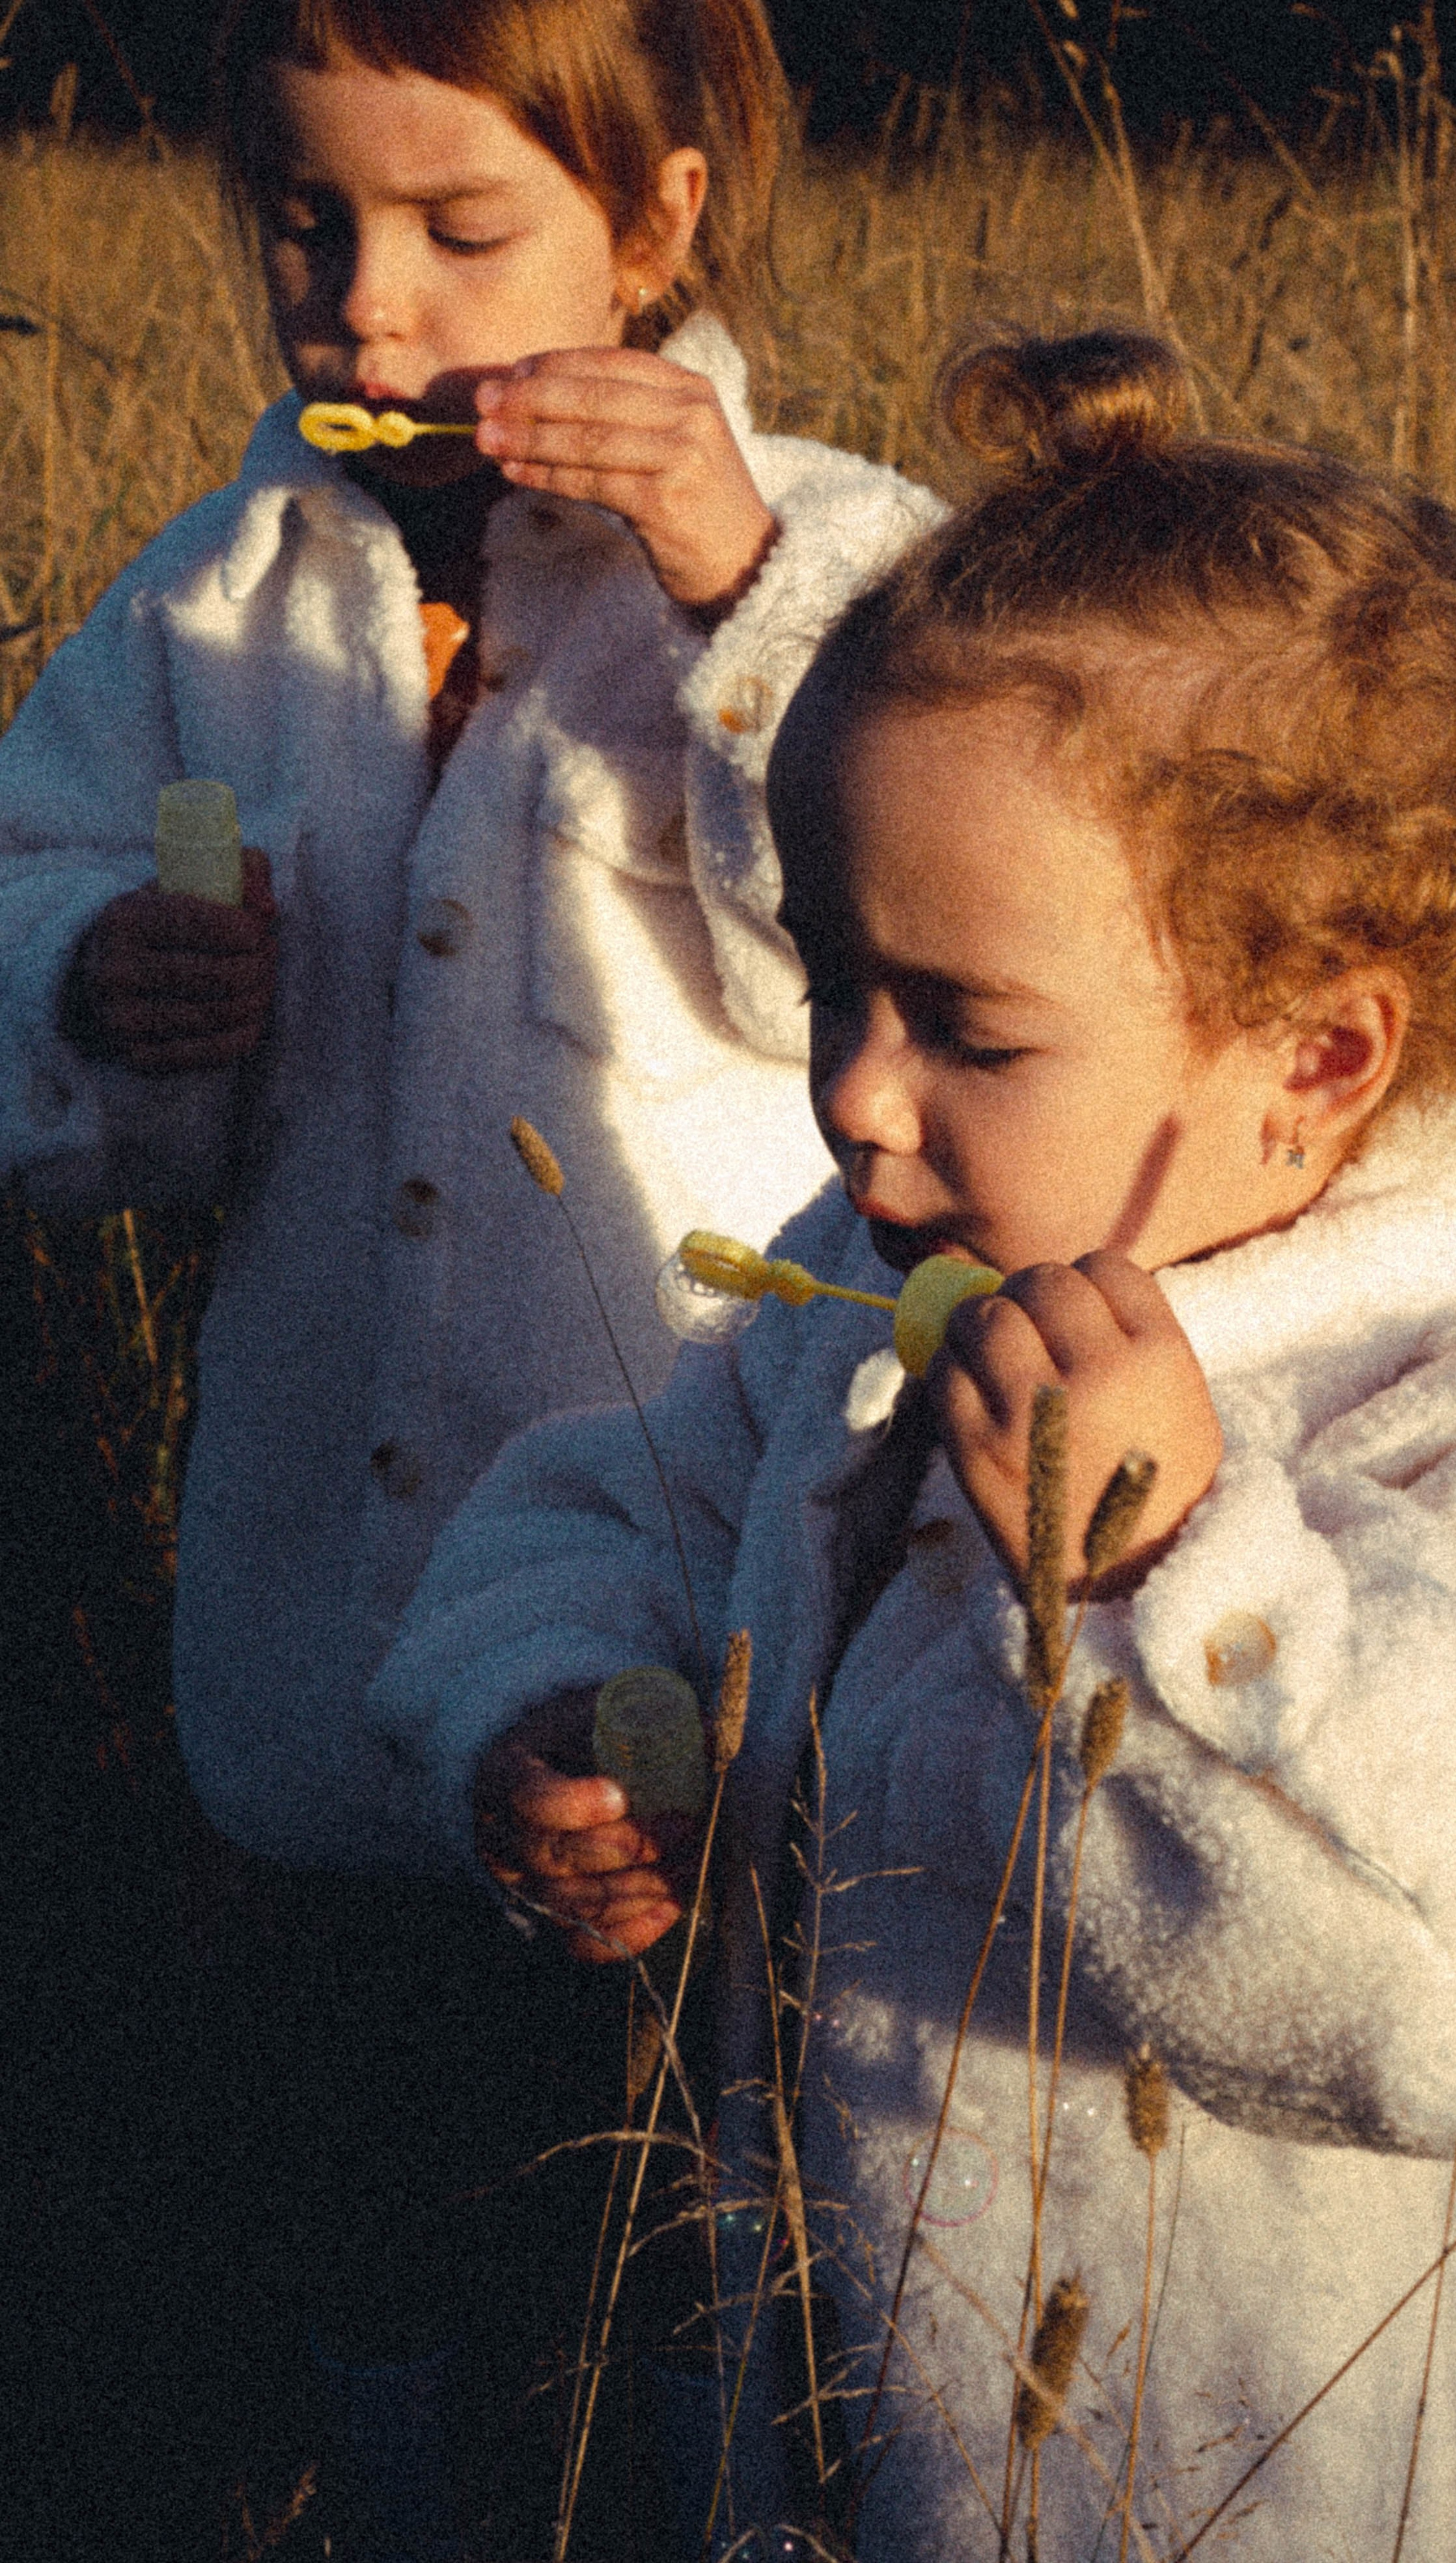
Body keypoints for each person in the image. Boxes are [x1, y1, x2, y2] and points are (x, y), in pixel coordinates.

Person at [373, 329, 1456, 2562]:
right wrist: (556, 1712)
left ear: (1316, 1053)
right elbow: (621, 1502)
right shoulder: (871, 1300)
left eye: (966, 1029)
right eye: (835, 992)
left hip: (1293, 2492)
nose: (856, 1101)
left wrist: (1193, 1571)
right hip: (848, 2445)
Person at [0, 0, 938, 2548]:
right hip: (313, 1605)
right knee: (347, 2159)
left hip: (673, 1600)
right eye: (310, 225)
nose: (369, 311)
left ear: (658, 230)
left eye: (461, 229)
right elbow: (33, 871)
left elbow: (894, 947)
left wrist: (740, 588)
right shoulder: (228, 579)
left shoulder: (830, 557)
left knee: (667, 2194)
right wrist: (91, 981)